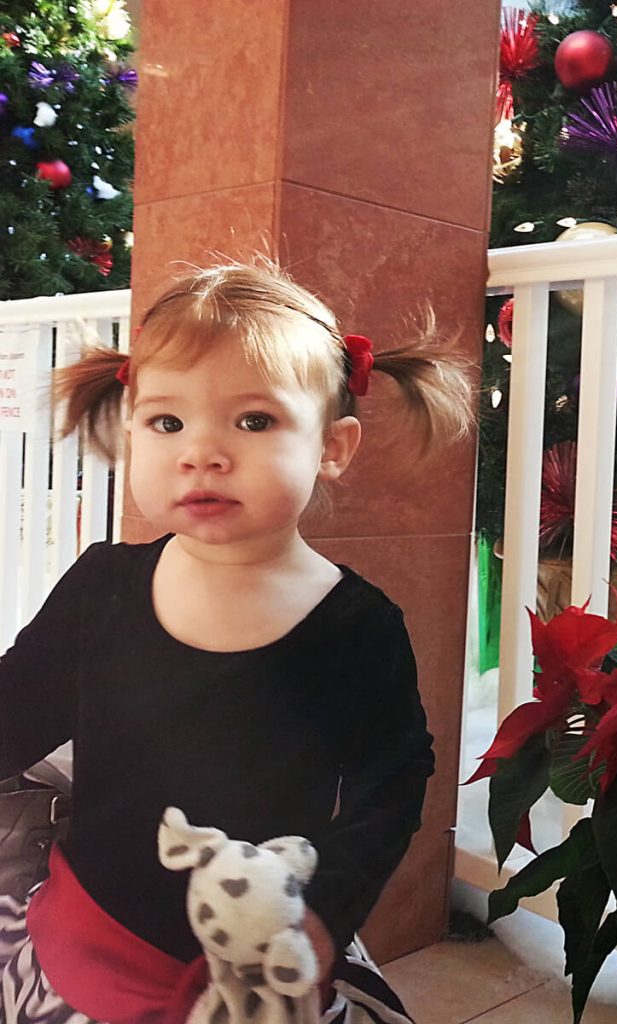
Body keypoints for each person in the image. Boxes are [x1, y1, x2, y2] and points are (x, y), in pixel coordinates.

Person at [0, 260, 475, 1023]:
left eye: (254, 421)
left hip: (263, 965)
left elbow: (392, 782)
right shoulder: (104, 588)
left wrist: (328, 910)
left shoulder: (356, 625)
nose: (202, 452)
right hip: (86, 946)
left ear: (334, 446)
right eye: (168, 422)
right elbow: (16, 709)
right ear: (133, 432)